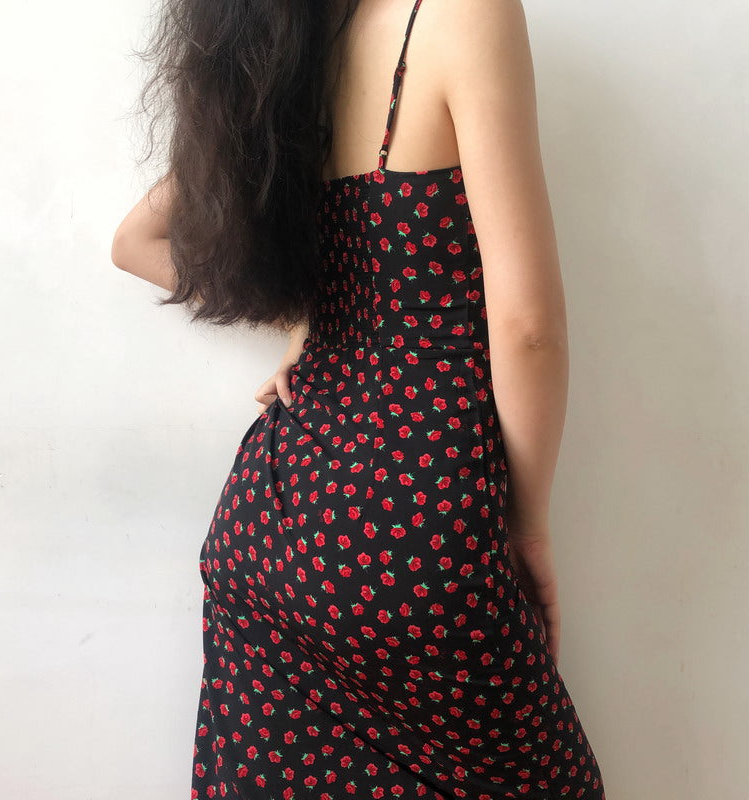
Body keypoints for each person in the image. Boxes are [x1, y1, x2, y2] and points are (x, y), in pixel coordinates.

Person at [112, 1, 607, 797]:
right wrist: (529, 525)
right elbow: (528, 330)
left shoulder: (280, 49)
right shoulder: (462, 15)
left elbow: (134, 240)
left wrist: (310, 321)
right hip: (416, 538)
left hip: (269, 530)